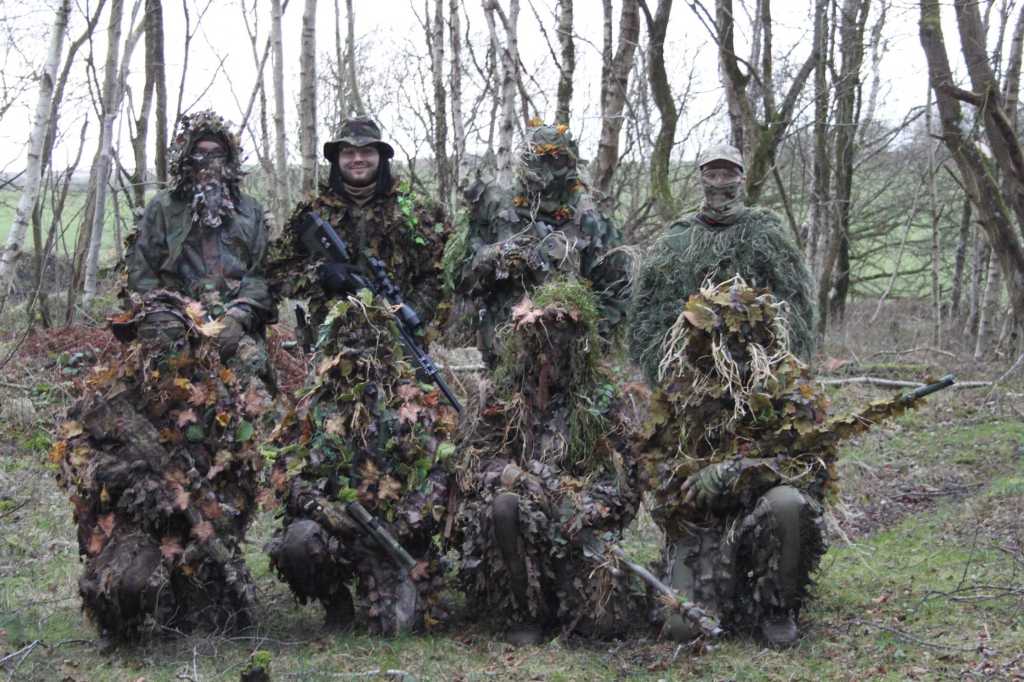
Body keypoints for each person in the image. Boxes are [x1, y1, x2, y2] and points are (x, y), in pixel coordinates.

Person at [264, 116, 456, 634]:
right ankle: (332, 579)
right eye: (347, 152)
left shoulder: (415, 211)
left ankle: (404, 550)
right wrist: (322, 275)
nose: (357, 159)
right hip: (332, 360)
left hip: (399, 356)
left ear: (381, 157)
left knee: (407, 449)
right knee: (329, 448)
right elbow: (276, 271)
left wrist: (409, 316)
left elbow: (443, 275)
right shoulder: (312, 213)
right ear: (336, 159)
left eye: (366, 152)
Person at [635, 277, 831, 647]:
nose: (699, 345)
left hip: (762, 519)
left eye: (709, 336)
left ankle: (777, 608)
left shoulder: (789, 387)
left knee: (788, 503)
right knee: (682, 628)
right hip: (704, 525)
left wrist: (737, 473)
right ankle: (728, 590)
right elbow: (655, 465)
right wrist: (684, 491)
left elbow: (808, 469)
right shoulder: (681, 389)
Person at [454, 278, 645, 644]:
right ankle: (523, 612)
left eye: (558, 347)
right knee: (505, 508)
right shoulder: (503, 393)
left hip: (578, 527)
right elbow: (477, 460)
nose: (547, 358)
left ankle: (567, 601)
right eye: (540, 345)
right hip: (523, 525)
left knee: (603, 625)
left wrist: (583, 508)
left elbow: (627, 479)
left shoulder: (601, 400)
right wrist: (517, 478)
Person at [445, 121, 630, 365]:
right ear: (525, 161)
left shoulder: (590, 220)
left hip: (568, 360)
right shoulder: (496, 209)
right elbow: (459, 279)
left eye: (556, 159)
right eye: (538, 159)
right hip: (504, 354)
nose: (546, 171)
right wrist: (494, 256)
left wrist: (588, 339)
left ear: (570, 163)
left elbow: (615, 292)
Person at [629, 143, 815, 385]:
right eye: (712, 175)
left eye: (728, 175)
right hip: (689, 372)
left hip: (754, 371)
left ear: (742, 179)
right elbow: (650, 310)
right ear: (701, 179)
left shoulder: (765, 234)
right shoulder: (677, 238)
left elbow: (793, 304)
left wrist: (764, 348)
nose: (719, 182)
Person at [125, 109, 276, 392]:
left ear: (229, 160)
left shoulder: (250, 211)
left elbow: (261, 277)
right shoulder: (162, 208)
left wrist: (238, 316)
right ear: (186, 158)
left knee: (253, 383)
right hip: (174, 319)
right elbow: (142, 275)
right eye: (200, 153)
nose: (208, 163)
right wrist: (167, 315)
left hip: (233, 320)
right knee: (165, 385)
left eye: (217, 154)